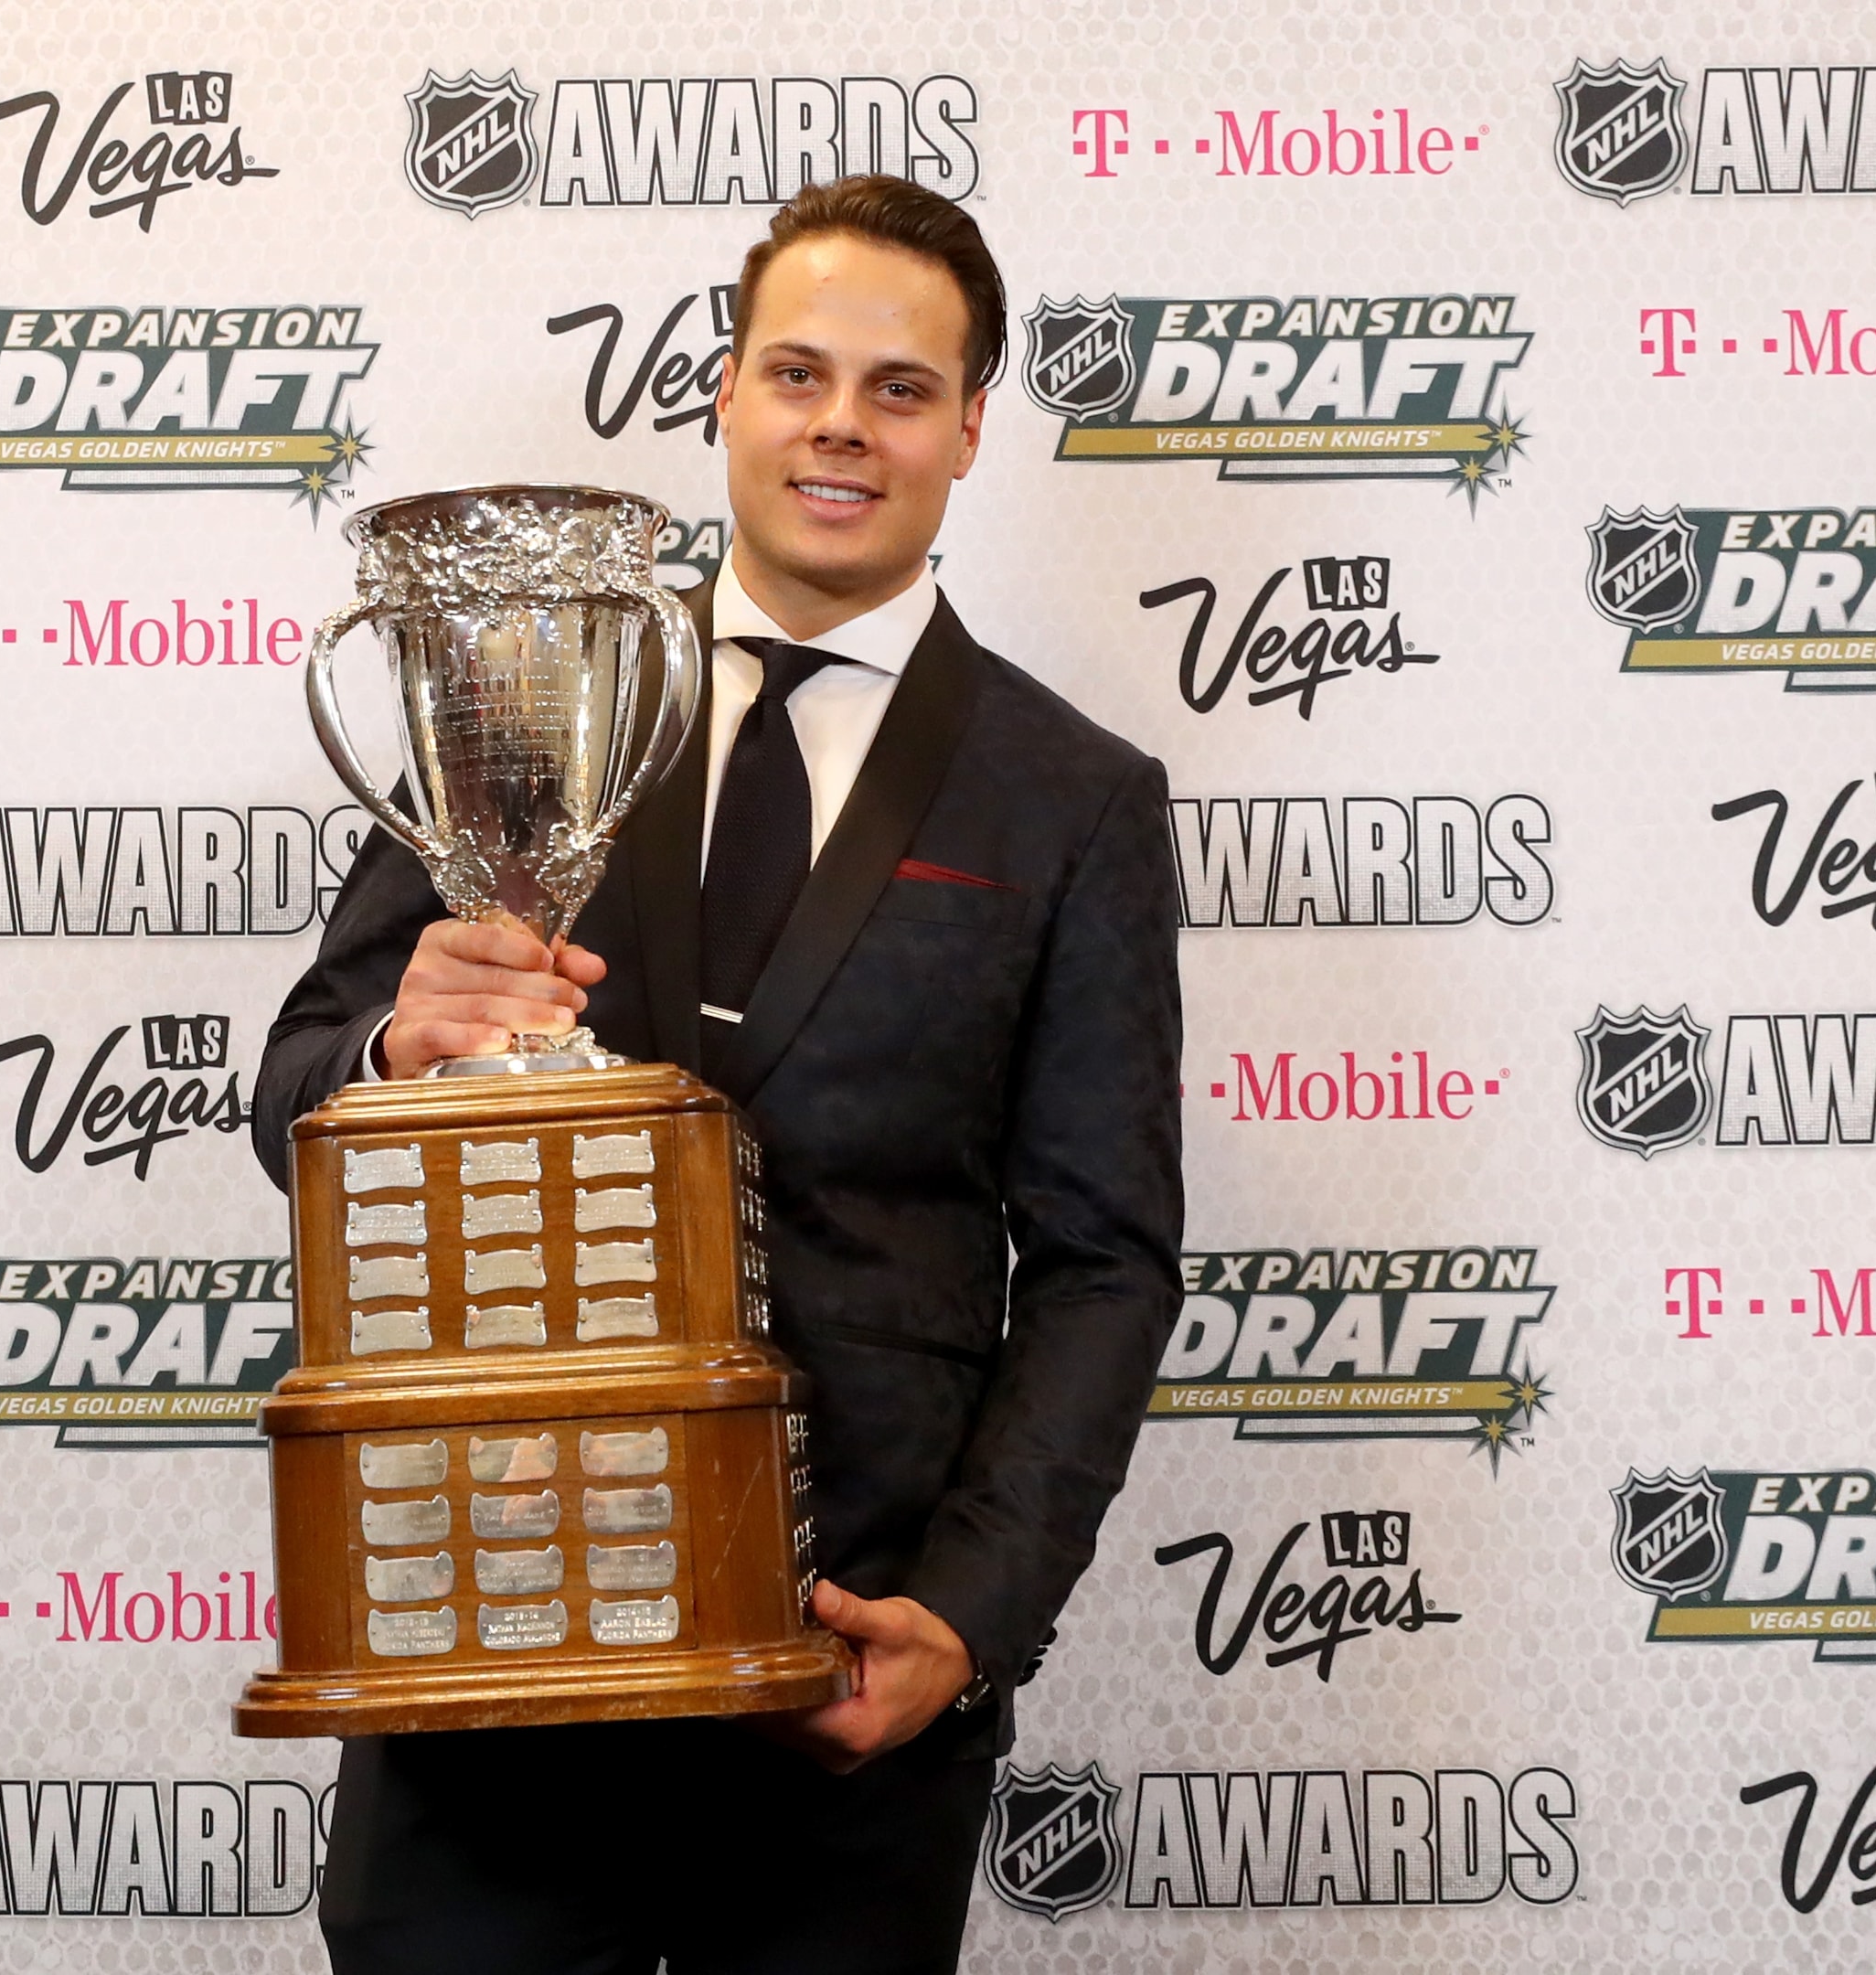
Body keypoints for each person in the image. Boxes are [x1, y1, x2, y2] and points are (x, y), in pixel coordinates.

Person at [251, 175, 1184, 1973]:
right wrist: (394, 1049)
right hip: (494, 1659)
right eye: (799, 373)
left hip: (844, 1689)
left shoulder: (1072, 802)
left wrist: (967, 1618)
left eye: (900, 389)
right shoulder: (533, 696)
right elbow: (299, 1089)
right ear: (727, 396)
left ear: (973, 424)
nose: (843, 424)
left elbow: (1105, 1259)